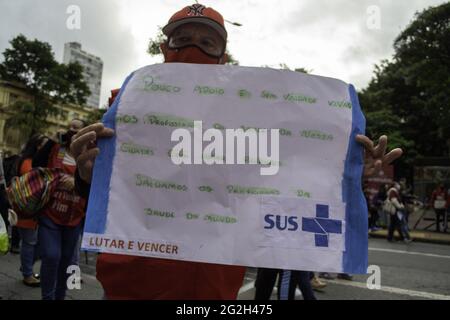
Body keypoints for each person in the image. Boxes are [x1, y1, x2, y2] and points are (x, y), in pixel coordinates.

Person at [70, 3, 403, 300]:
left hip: (214, 285)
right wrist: (86, 175)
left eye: (206, 43)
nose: (193, 49)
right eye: (182, 40)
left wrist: (349, 176)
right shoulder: (126, 108)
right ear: (164, 48)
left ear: (222, 58)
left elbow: (287, 181)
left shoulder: (252, 119)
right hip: (133, 282)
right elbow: (105, 194)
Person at [32, 119, 87, 300]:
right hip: (50, 215)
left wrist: (77, 183)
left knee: (65, 263)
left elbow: (95, 183)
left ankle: (60, 296)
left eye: (77, 128)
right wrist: (52, 140)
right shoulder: (56, 149)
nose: (72, 130)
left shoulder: (88, 154)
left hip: (74, 219)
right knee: (51, 256)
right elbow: (36, 164)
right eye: (70, 127)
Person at [16, 134, 48, 287]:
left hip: (36, 210)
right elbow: (34, 185)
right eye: (45, 144)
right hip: (27, 209)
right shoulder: (28, 162)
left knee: (39, 243)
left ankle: (26, 266)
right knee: (29, 242)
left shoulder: (37, 161)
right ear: (38, 146)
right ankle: (27, 274)